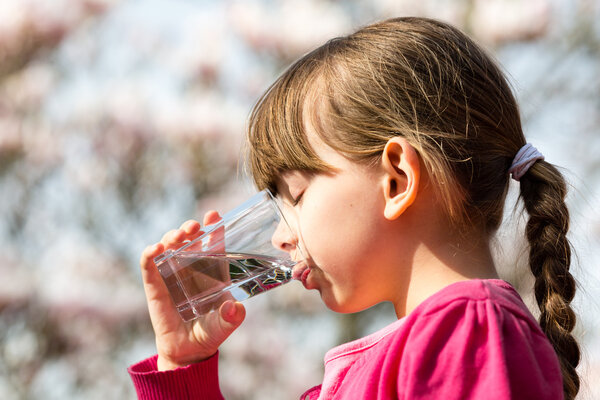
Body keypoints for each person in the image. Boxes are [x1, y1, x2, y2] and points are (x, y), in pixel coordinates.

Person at [128, 17, 580, 400]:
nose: (278, 237)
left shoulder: (467, 333)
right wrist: (182, 366)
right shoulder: (433, 343)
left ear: (396, 180)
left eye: (297, 195)